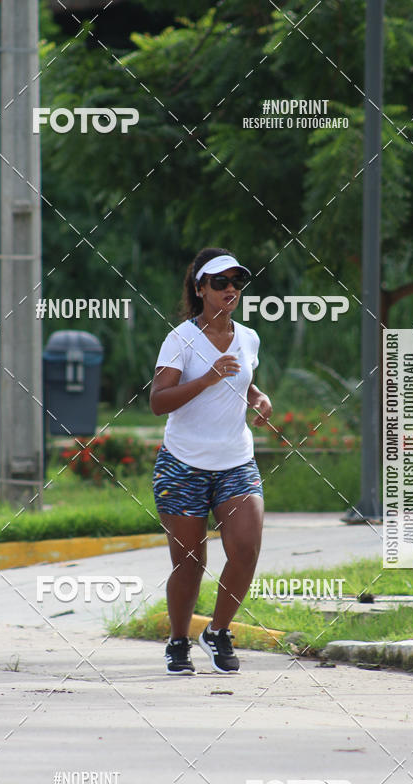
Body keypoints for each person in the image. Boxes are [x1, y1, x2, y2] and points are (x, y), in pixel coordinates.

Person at [150, 247, 272, 675]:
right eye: (220, 282)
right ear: (200, 288)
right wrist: (206, 378)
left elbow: (242, 380)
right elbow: (158, 401)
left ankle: (218, 631)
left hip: (236, 462)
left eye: (237, 281)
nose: (230, 289)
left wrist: (258, 397)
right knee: (190, 564)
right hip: (183, 465)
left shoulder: (249, 337)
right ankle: (178, 641)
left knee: (246, 549)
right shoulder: (180, 339)